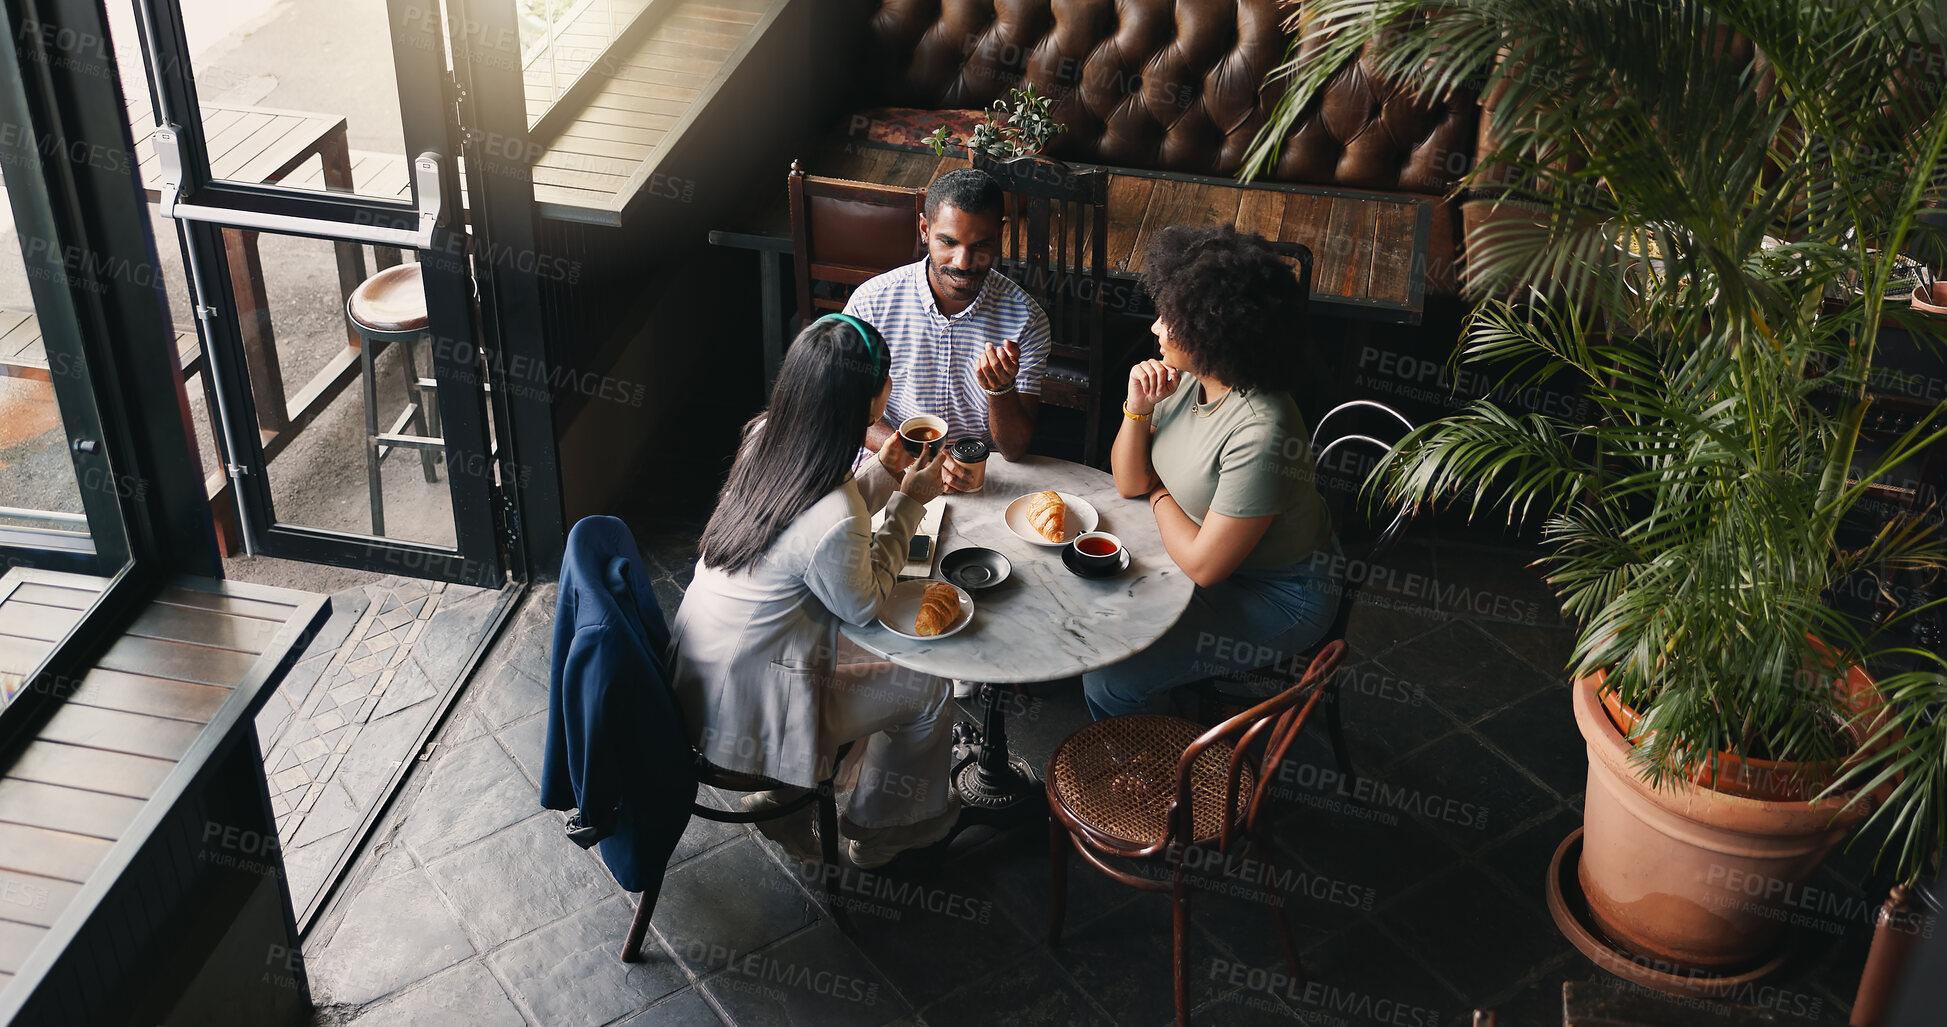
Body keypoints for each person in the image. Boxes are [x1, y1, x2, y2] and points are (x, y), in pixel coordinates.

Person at [667, 313, 960, 868]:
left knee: (871, 654)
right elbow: (865, 601)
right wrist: (909, 502)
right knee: (930, 688)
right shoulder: (836, 511)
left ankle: (785, 804)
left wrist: (883, 469)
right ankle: (880, 832)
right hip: (749, 717)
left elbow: (812, 520)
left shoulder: (764, 439)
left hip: (699, 680)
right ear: (871, 401)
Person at [1084, 225, 1341, 720]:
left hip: (1277, 593)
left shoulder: (1261, 430)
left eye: (1170, 319)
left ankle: (1148, 779)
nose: (1156, 328)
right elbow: (1128, 481)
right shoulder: (1184, 379)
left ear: (1213, 329)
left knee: (1109, 679)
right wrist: (1136, 407)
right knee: (1089, 619)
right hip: (1195, 553)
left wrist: (1160, 495)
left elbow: (1205, 565)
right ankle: (1168, 706)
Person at [844, 167, 1051, 491]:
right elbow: (846, 413)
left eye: (980, 245)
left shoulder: (1027, 319)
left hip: (980, 471)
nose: (964, 262)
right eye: (949, 242)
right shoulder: (871, 303)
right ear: (925, 229)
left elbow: (1014, 448)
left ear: (1000, 235)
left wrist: (1000, 390)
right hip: (889, 460)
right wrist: (916, 458)